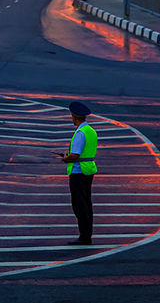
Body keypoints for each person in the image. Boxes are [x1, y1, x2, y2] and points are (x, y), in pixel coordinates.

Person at [58, 100, 97, 245]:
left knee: (79, 205)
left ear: (74, 116)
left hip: (78, 171)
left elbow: (75, 155)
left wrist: (66, 158)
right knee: (86, 203)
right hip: (88, 170)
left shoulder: (80, 133)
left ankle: (84, 236)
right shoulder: (91, 131)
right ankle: (87, 234)